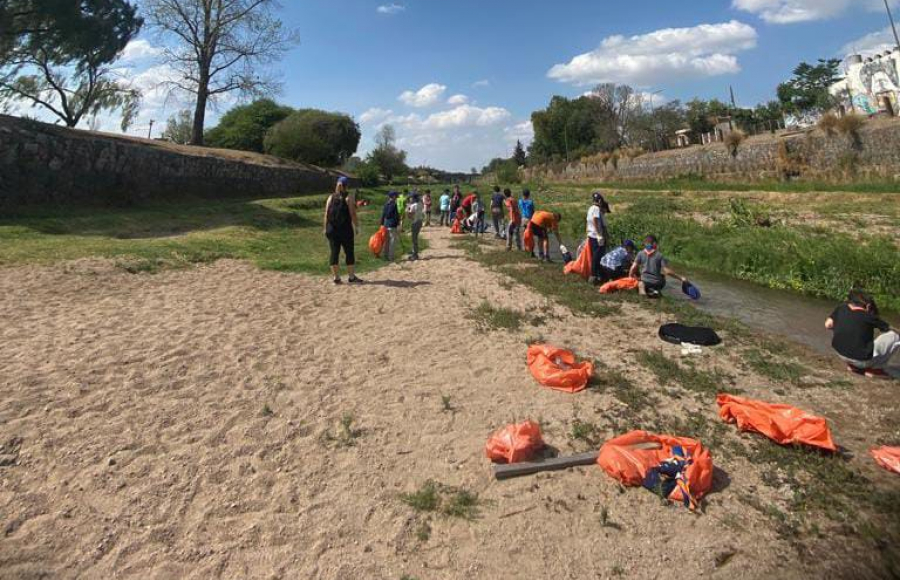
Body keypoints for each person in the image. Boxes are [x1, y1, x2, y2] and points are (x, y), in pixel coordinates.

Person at [826, 289, 899, 379]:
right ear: (868, 306)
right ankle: (876, 369)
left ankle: (853, 366)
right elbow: (889, 329)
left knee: (856, 342)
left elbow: (828, 325)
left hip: (840, 353)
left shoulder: (841, 308)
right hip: (861, 360)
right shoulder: (869, 316)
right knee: (895, 336)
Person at [323, 176, 363, 285]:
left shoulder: (330, 197)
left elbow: (326, 214)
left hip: (332, 229)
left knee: (334, 253)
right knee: (349, 252)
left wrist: (325, 228)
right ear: (347, 186)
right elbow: (353, 214)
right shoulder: (348, 198)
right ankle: (351, 276)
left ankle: (336, 278)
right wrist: (357, 227)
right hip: (345, 230)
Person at [586, 192, 611, 285]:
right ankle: (593, 276)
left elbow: (588, 222)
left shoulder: (590, 209)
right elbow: (595, 220)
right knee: (597, 258)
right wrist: (599, 235)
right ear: (600, 201)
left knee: (595, 257)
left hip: (591, 236)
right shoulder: (596, 209)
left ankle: (602, 276)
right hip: (597, 237)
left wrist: (588, 233)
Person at [380, 191, 401, 262]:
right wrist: (398, 224)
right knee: (392, 241)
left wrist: (382, 224)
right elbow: (396, 216)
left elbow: (383, 214)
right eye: (396, 196)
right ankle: (391, 257)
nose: (397, 197)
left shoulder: (386, 204)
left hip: (386, 224)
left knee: (386, 241)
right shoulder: (394, 204)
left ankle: (385, 255)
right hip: (392, 225)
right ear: (393, 197)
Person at [406, 192, 425, 260]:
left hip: (415, 222)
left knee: (414, 239)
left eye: (411, 197)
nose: (410, 199)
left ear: (413, 198)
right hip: (420, 222)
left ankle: (415, 254)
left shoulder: (413, 206)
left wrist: (407, 209)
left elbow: (410, 216)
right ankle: (414, 251)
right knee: (415, 237)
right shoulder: (420, 204)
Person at [519, 189, 536, 255]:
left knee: (524, 234)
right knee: (530, 235)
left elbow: (520, 206)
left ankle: (525, 248)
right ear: (528, 195)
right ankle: (531, 250)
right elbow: (533, 211)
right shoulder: (530, 202)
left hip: (523, 219)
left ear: (523, 194)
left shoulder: (520, 201)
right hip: (529, 219)